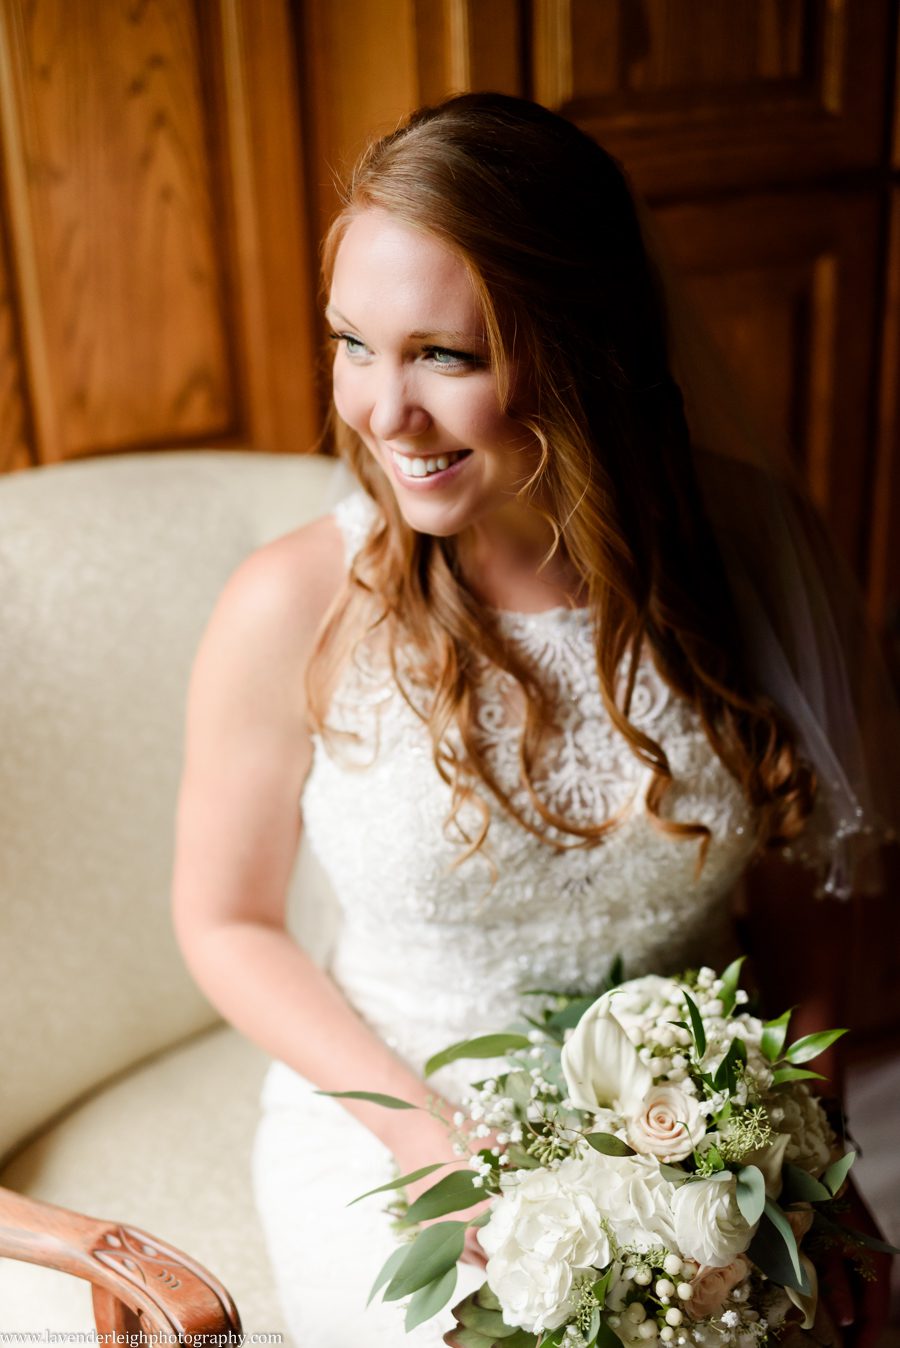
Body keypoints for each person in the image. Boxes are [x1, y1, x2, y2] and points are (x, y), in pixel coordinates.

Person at [171, 94, 894, 1346]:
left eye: (445, 356)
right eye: (353, 342)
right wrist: (425, 1144)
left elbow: (806, 890)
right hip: (394, 1121)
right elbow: (225, 919)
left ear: (581, 345)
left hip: (695, 1126)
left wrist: (799, 1153)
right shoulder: (289, 603)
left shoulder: (750, 553)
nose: (382, 412)